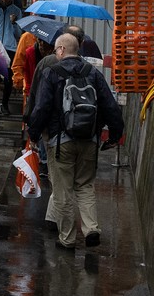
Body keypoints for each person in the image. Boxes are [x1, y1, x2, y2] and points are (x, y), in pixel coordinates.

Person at [26, 31, 124, 248]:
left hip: (61, 143)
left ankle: (67, 239)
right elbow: (110, 106)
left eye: (56, 50)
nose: (55, 53)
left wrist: (33, 134)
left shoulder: (52, 73)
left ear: (61, 50)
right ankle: (91, 229)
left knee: (63, 191)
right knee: (85, 185)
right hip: (89, 140)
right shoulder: (93, 73)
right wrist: (114, 135)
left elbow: (41, 108)